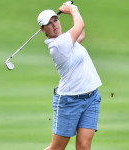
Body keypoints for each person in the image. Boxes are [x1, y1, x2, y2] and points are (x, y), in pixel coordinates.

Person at [37, 2, 102, 150]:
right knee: (57, 148)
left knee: (84, 146)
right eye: (49, 24)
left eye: (55, 20)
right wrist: (72, 10)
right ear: (42, 29)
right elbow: (80, 26)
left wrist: (75, 10)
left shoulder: (66, 40)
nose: (54, 25)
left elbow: (82, 33)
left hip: (91, 97)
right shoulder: (58, 45)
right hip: (69, 101)